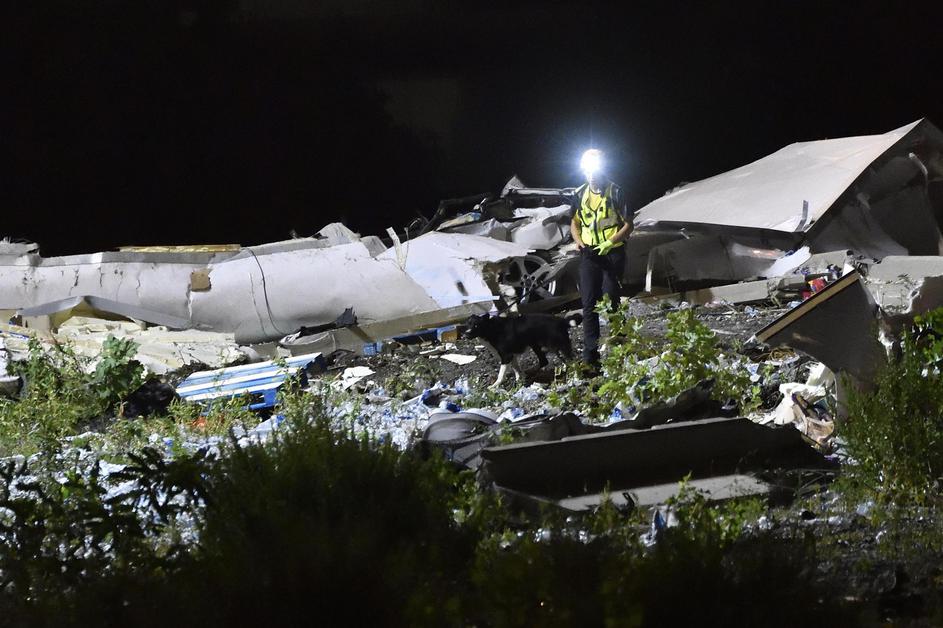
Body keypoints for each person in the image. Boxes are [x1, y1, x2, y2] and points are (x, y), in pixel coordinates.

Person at [569, 148, 633, 367]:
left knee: (611, 301)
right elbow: (574, 223)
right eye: (588, 171)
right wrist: (578, 241)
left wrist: (611, 242)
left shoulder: (616, 192)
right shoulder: (579, 194)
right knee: (588, 304)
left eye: (595, 170)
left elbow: (628, 224)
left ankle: (620, 351)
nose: (592, 175)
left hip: (612, 253)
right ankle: (591, 357)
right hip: (589, 253)